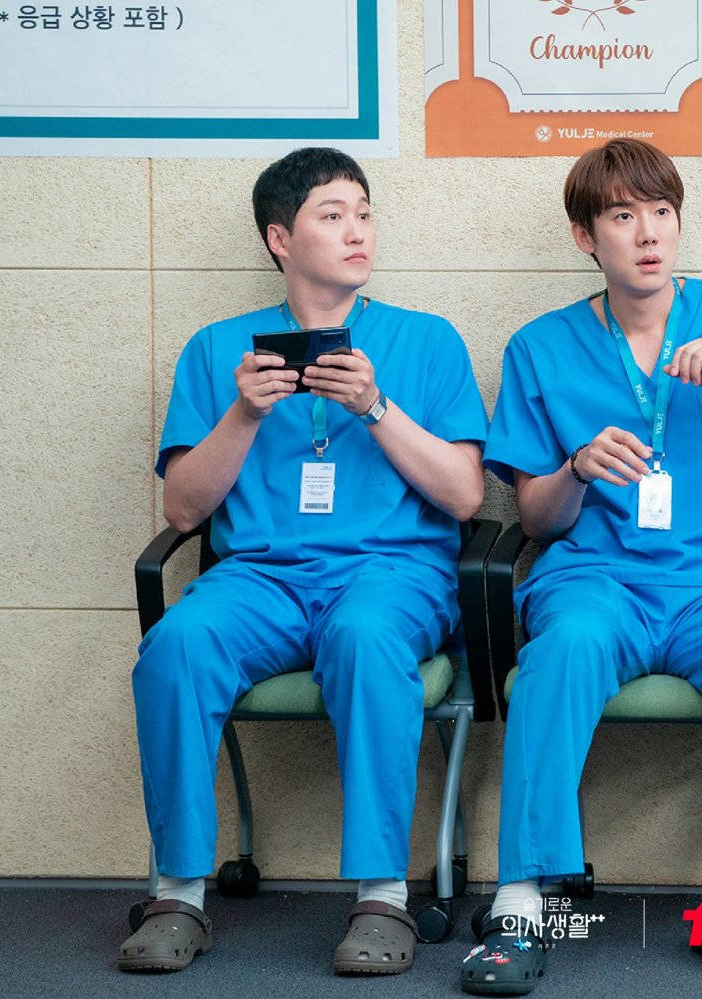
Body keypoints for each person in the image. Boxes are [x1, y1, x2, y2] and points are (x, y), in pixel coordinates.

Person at [461, 139, 702, 995]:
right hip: (599, 578)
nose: (648, 233)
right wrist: (575, 469)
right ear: (585, 237)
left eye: (662, 211)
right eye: (623, 216)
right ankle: (520, 902)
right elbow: (536, 518)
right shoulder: (541, 346)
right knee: (559, 652)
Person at [116, 147, 488, 976]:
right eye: (333, 215)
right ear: (280, 239)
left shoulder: (427, 341)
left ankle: (382, 896)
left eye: (364, 212)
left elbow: (466, 496)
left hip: (392, 573)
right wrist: (244, 415)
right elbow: (184, 510)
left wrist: (375, 406)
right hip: (260, 579)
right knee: (176, 645)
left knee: (365, 635)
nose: (358, 231)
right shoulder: (217, 350)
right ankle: (178, 894)